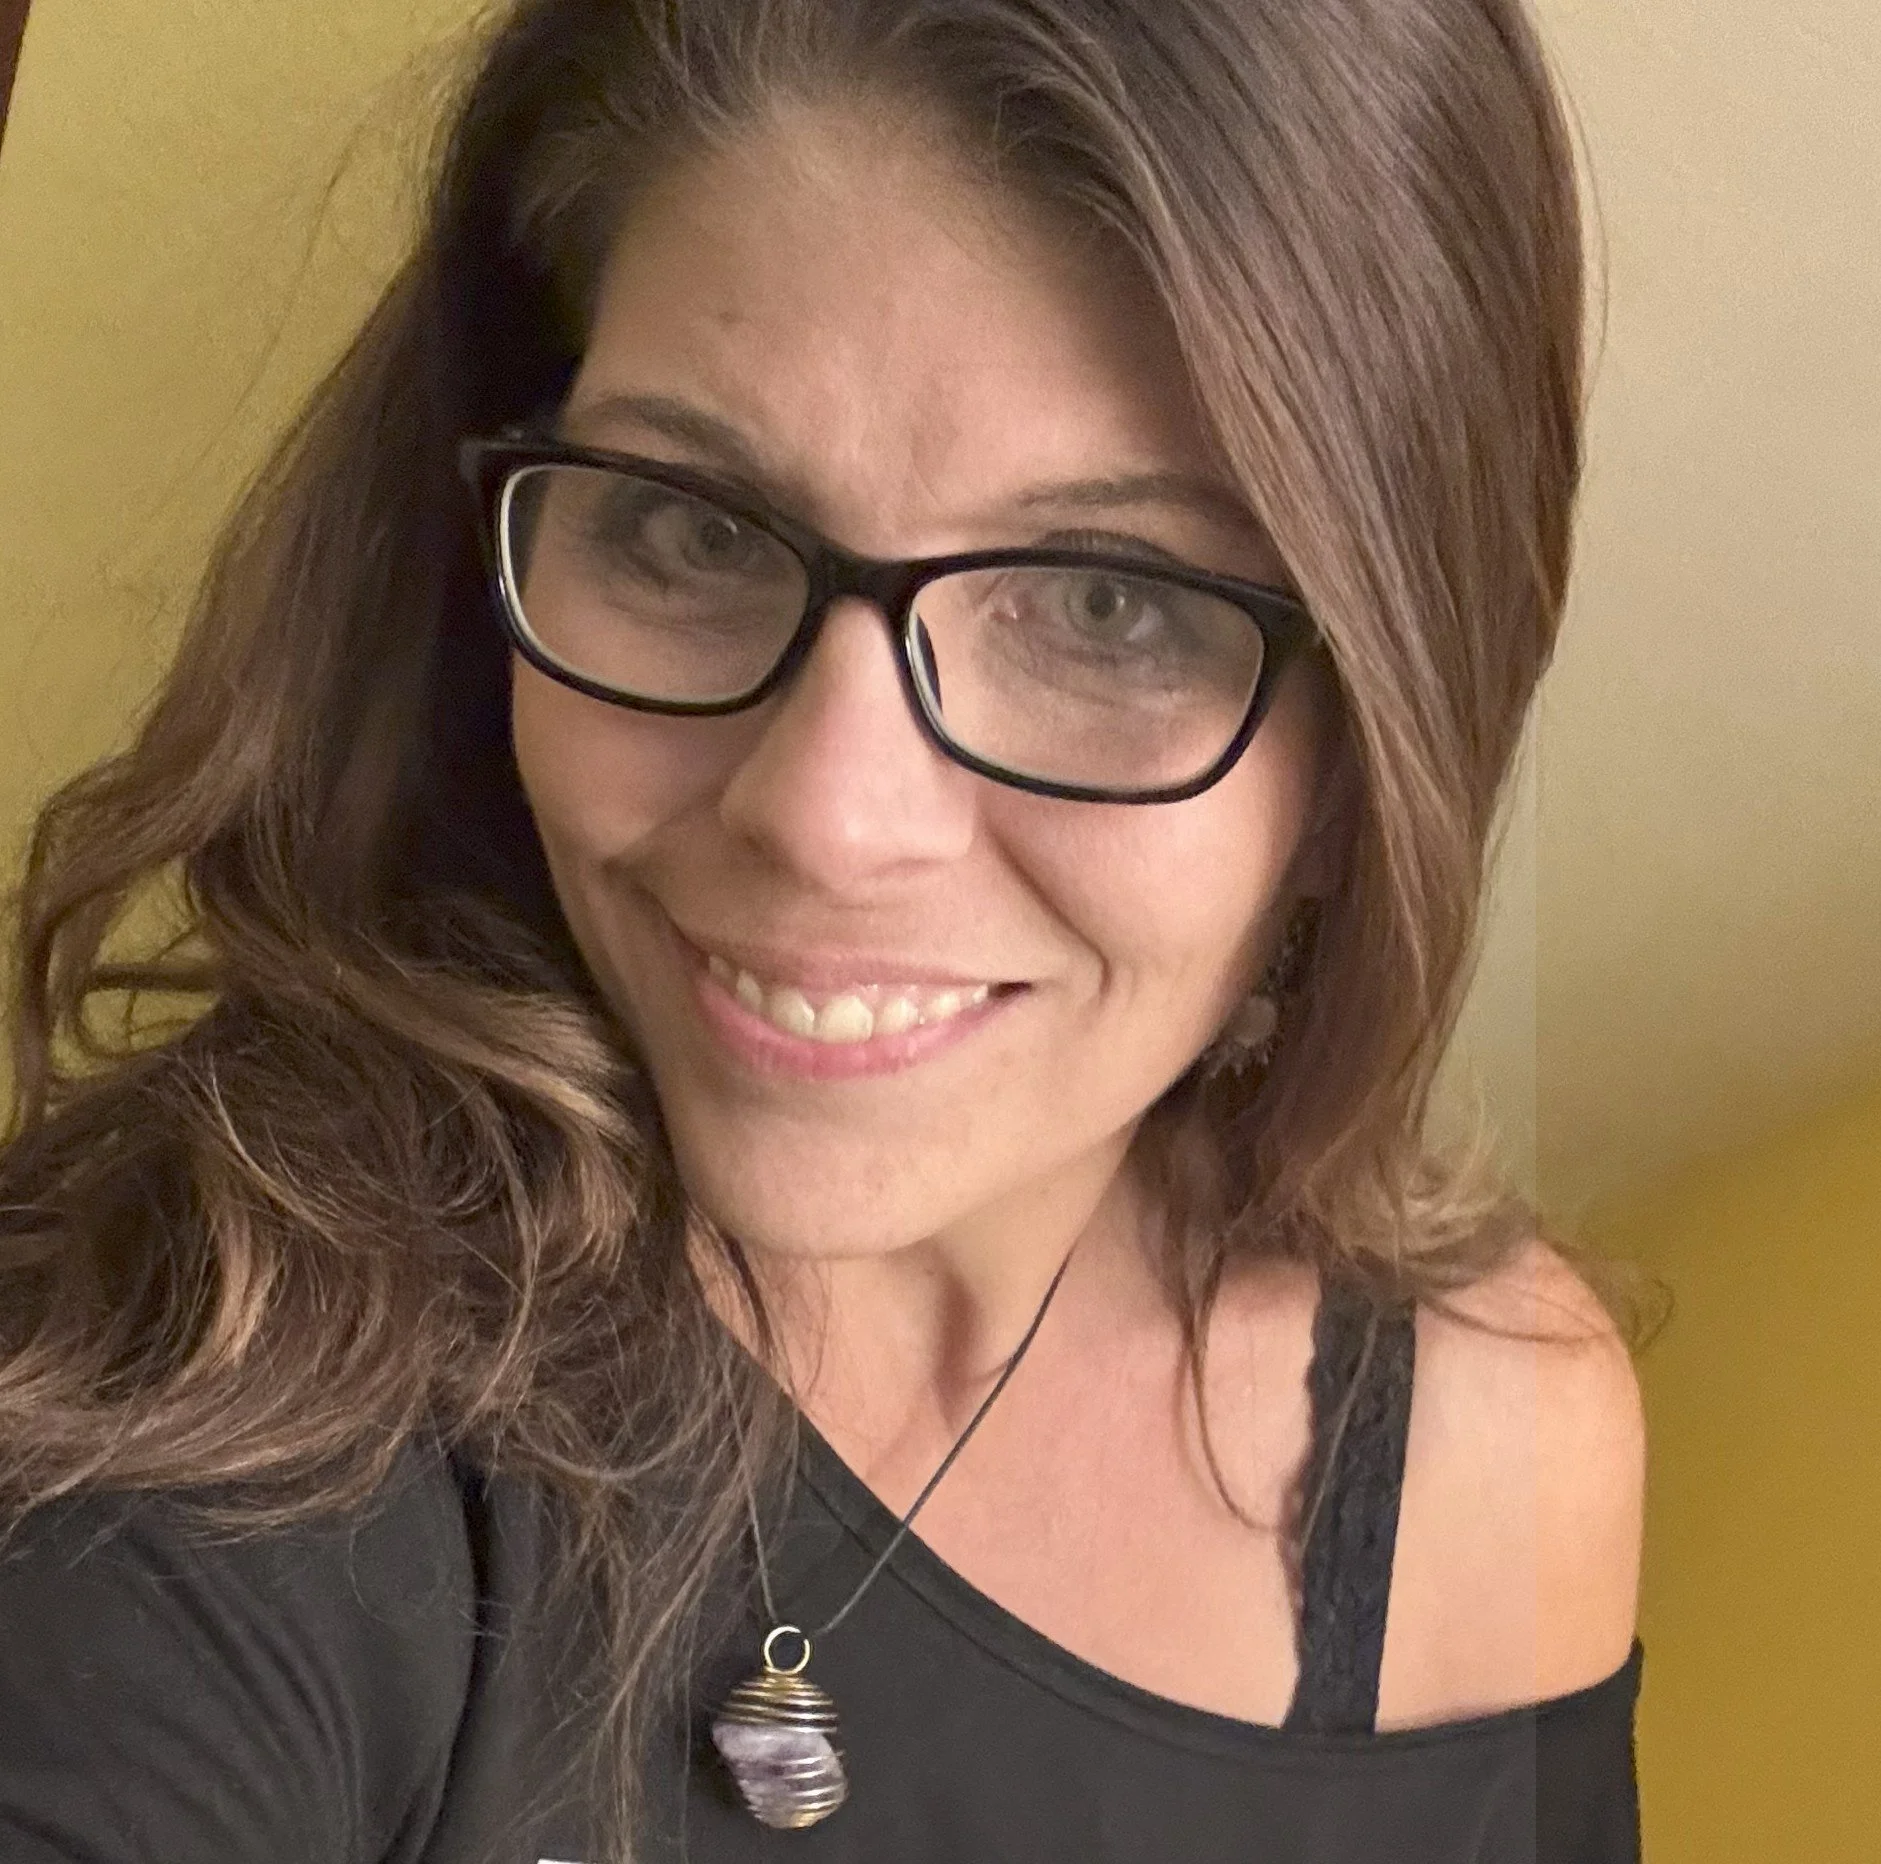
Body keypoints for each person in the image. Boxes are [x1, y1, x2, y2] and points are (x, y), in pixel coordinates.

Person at [0, 0, 1647, 1859]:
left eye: (1109, 606)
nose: (823, 818)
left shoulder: (1491, 1446)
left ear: (1375, 750)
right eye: (694, 532)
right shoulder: (229, 1357)